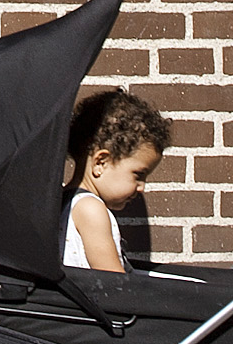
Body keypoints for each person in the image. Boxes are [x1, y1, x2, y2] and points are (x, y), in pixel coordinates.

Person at [60, 89, 170, 272]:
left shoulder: (64, 200)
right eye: (138, 175)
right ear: (100, 163)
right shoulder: (91, 209)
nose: (142, 187)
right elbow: (114, 282)